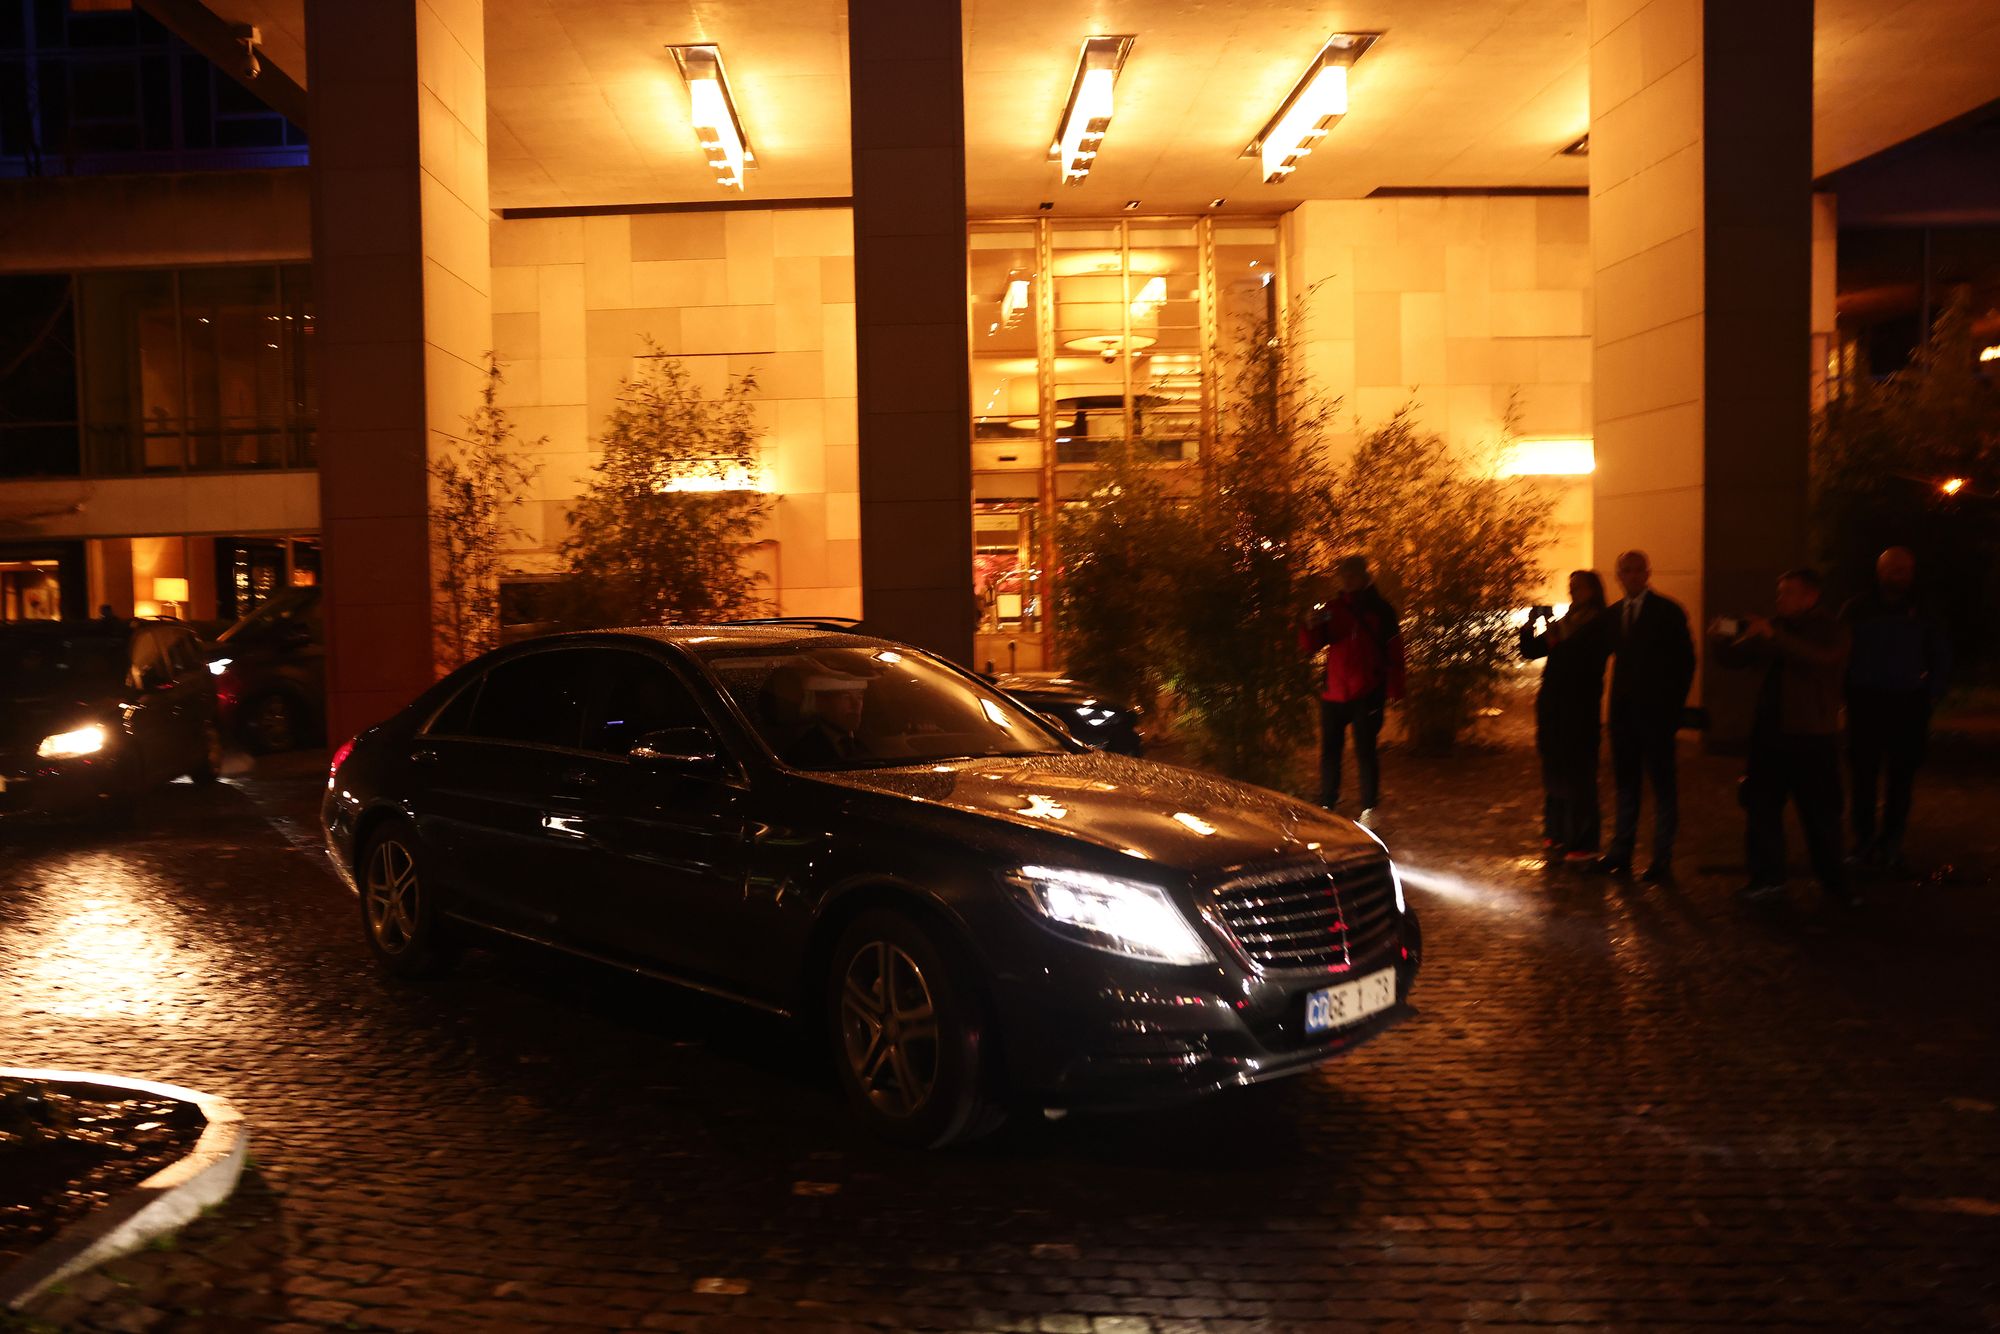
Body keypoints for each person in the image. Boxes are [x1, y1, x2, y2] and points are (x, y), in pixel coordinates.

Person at [1711, 568, 1853, 908]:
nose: (1780, 599)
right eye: (1779, 592)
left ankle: (1835, 884)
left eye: (1788, 592)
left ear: (1810, 596)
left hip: (1810, 737)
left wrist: (1773, 635)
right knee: (1761, 809)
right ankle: (1767, 879)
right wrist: (1723, 636)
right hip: (1769, 736)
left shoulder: (1828, 629)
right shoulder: (1776, 625)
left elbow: (1822, 658)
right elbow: (1736, 658)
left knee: (1820, 815)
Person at [1841, 547, 1950, 871]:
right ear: (1880, 572)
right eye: (1893, 569)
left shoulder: (1926, 610)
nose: (1899, 575)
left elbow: (1941, 651)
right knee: (1863, 776)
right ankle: (1863, 842)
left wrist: (1932, 692)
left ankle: (1891, 843)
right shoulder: (1857, 609)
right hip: (1865, 701)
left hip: (1908, 702)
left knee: (1901, 778)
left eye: (1904, 570)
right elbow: (1839, 651)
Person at [1599, 550, 1695, 884]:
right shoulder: (1613, 615)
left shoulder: (1667, 612)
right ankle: (1621, 850)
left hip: (1656, 714)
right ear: (1619, 575)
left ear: (1648, 572)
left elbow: (1685, 663)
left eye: (1638, 570)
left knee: (1662, 786)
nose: (1633, 576)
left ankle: (1661, 857)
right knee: (1627, 784)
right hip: (1623, 713)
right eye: (1626, 570)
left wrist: (1672, 708)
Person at [1300, 555, 1406, 821]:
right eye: (1343, 576)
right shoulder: (1332, 608)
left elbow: (1394, 649)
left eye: (1351, 576)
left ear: (1364, 577)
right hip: (1334, 692)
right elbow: (1313, 644)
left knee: (1366, 751)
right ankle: (1327, 803)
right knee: (1330, 751)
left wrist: (1395, 690)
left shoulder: (1382, 610)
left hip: (1367, 692)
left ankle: (1369, 807)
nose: (1346, 581)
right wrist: (1308, 625)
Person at [1520, 571, 1615, 864]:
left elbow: (1579, 656)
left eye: (1579, 588)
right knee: (1555, 768)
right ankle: (1557, 832)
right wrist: (1530, 625)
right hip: (1554, 706)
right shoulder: (1566, 622)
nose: (1573, 593)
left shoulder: (1599, 623)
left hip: (1580, 707)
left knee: (1580, 774)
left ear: (1593, 591)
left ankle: (1584, 841)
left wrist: (1555, 635)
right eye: (1571, 588)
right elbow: (1531, 651)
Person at [787, 670, 871, 766]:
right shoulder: (803, 753)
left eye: (859, 697)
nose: (856, 705)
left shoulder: (866, 747)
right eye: (846, 697)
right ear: (822, 703)